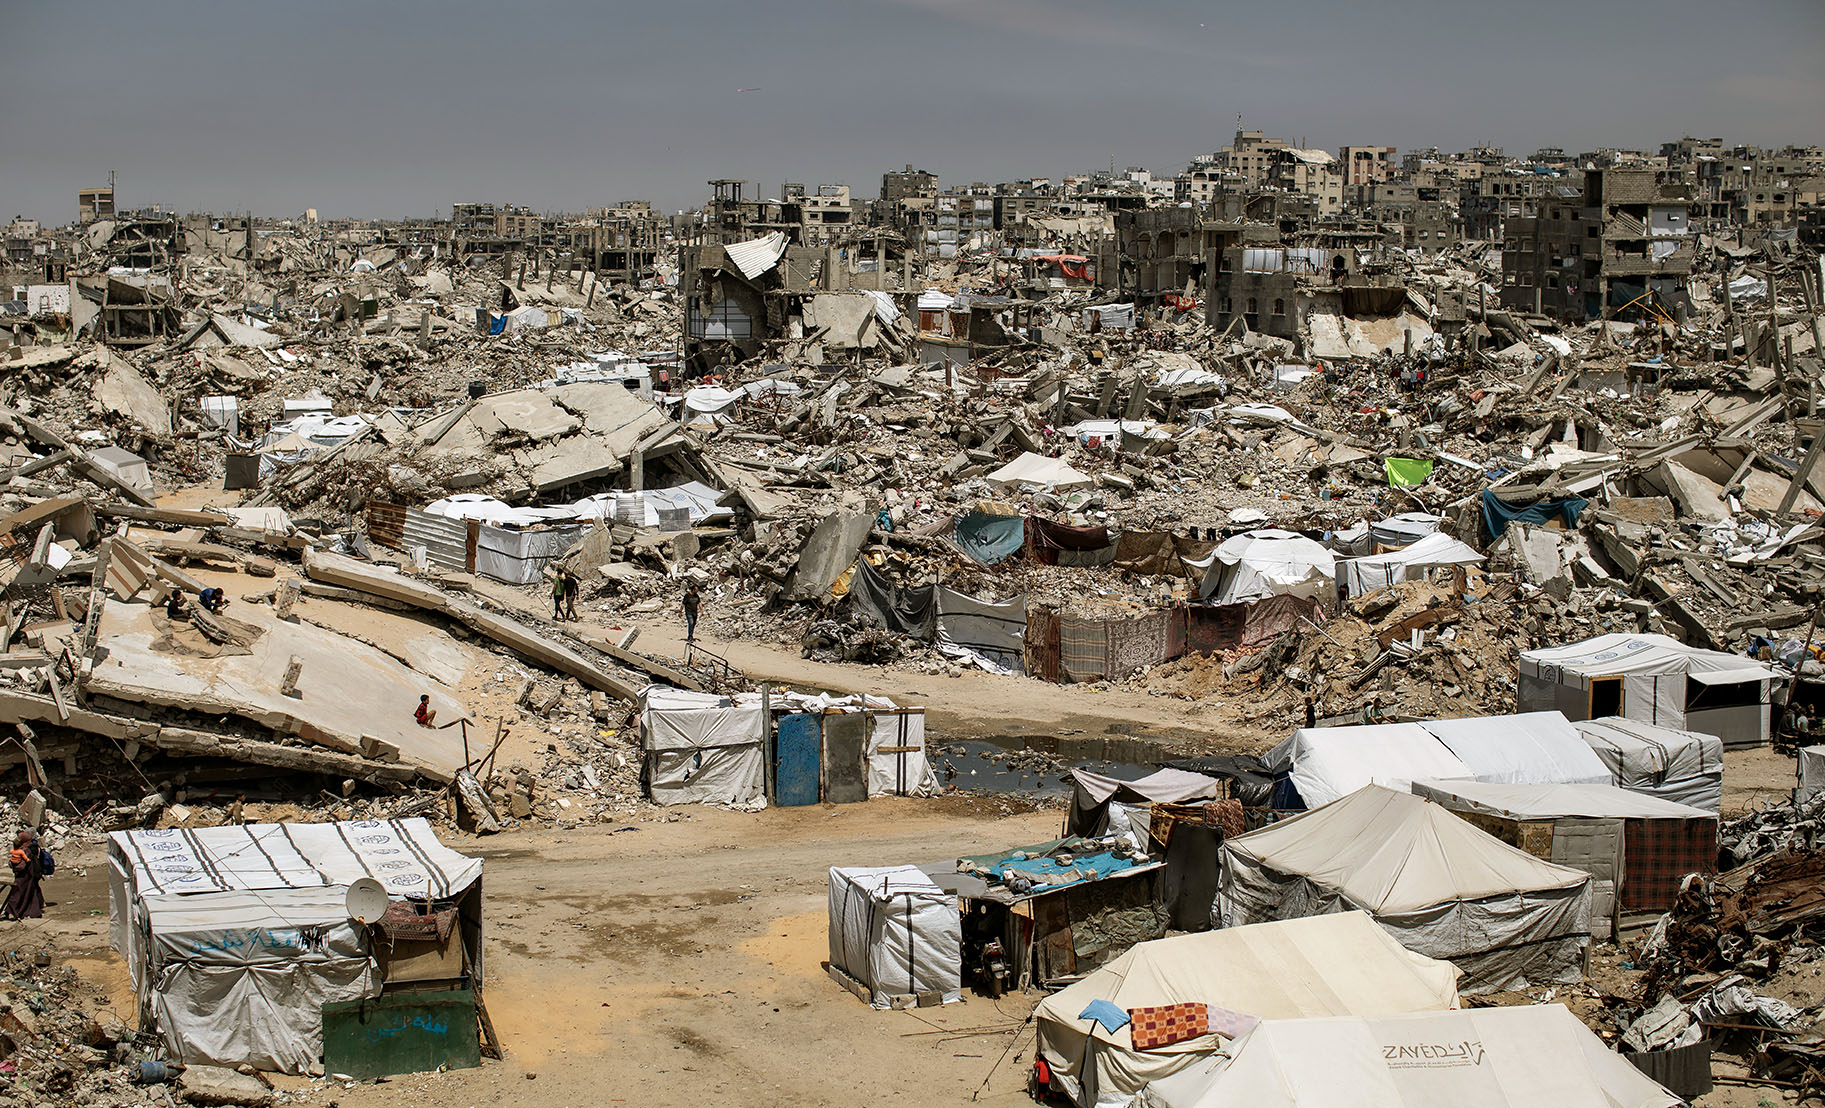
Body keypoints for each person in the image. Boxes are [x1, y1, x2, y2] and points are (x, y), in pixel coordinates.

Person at [2, 829, 44, 921]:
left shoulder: (21, 850)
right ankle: (16, 912)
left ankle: (14, 912)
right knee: (21, 894)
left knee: (21, 894)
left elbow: (17, 864)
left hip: (24, 876)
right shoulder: (26, 851)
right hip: (26, 877)